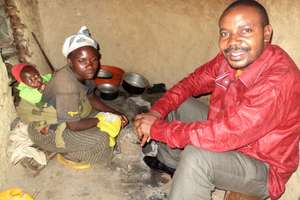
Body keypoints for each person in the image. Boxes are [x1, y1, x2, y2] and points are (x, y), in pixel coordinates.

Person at [134, 0, 300, 199]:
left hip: (262, 165)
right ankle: (169, 166)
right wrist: (156, 113)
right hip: (229, 129)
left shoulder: (278, 81)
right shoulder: (229, 60)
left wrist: (157, 129)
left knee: (197, 156)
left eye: (245, 30)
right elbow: (191, 83)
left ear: (266, 34)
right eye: (225, 33)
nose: (233, 41)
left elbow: (226, 133)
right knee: (178, 104)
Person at [16, 26, 128, 166]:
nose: (90, 65)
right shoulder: (66, 85)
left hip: (70, 116)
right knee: (102, 139)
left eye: (94, 60)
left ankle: (79, 146)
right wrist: (101, 120)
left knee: (112, 120)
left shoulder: (85, 73)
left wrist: (115, 113)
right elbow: (74, 125)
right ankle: (68, 154)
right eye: (82, 60)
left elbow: (92, 97)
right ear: (70, 62)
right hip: (48, 131)